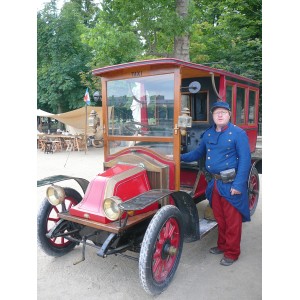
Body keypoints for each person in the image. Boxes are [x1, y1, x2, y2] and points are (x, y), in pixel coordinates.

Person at [180, 101, 251, 266]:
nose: (219, 115)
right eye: (216, 112)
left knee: (232, 221)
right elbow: (198, 153)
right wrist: (179, 157)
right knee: (220, 218)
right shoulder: (209, 134)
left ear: (229, 115)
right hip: (214, 183)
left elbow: (245, 161)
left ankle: (232, 253)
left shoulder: (238, 134)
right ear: (213, 116)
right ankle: (222, 245)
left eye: (223, 112)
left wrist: (238, 186)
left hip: (231, 183)